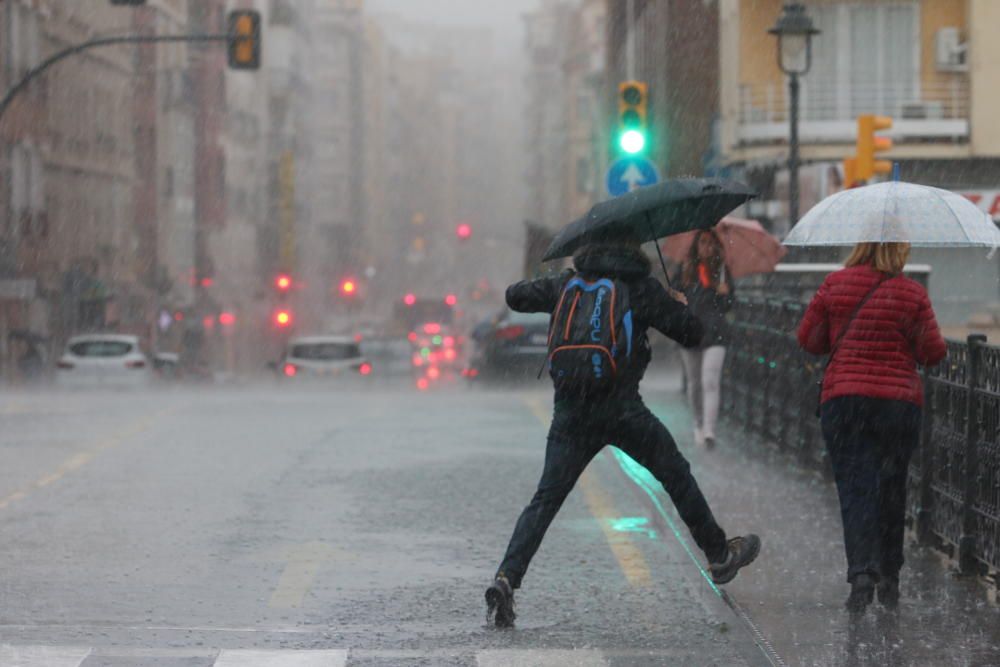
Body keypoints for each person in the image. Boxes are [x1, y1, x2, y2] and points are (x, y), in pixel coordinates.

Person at [485, 240, 760, 628]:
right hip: (623, 410)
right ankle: (718, 555)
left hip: (571, 414)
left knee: (545, 500)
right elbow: (693, 334)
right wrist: (677, 303)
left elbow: (515, 296)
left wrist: (556, 284)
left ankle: (506, 578)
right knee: (675, 475)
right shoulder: (640, 287)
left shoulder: (568, 283)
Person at [797, 242, 946, 613]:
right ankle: (891, 578)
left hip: (845, 400)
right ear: (899, 251)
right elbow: (933, 352)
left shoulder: (834, 284)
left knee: (856, 488)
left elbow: (809, 340)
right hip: (897, 404)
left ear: (860, 246)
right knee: (892, 487)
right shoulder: (912, 293)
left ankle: (862, 573)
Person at [675, 230, 733, 449]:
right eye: (703, 242)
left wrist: (724, 293)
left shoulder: (721, 271)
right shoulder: (684, 270)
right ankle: (698, 424)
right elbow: (672, 297)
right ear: (696, 246)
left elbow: (729, 306)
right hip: (690, 332)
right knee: (695, 384)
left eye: (711, 243)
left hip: (715, 332)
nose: (707, 247)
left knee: (710, 381)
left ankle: (709, 429)